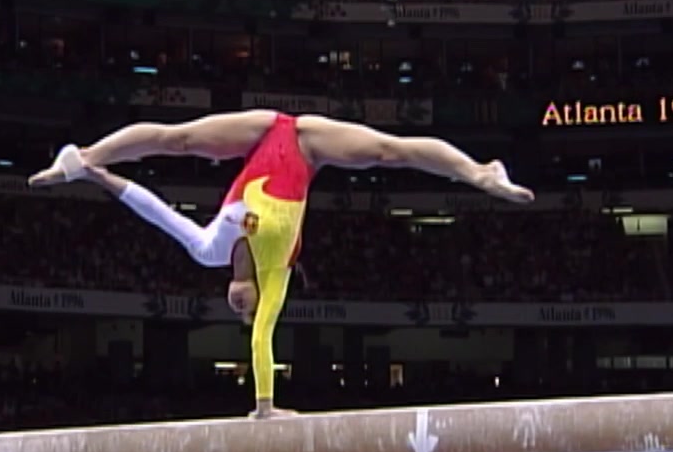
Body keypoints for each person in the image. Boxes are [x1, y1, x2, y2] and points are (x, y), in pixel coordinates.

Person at [29, 110, 533, 418]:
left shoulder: (207, 248)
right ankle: (482, 174)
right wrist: (265, 408)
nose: (242, 309)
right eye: (248, 312)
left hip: (263, 133)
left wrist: (98, 178)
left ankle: (81, 159)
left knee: (177, 140)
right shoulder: (276, 279)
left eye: (237, 310)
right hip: (309, 149)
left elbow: (153, 208)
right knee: (385, 151)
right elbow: (262, 336)